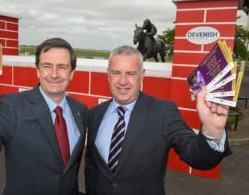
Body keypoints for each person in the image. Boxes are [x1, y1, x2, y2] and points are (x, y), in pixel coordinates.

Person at [84, 45, 231, 195]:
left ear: (142, 75)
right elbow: (91, 166)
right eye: (116, 73)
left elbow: (196, 156)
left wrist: (212, 131)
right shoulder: (95, 114)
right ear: (108, 75)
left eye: (131, 73)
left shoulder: (164, 112)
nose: (123, 81)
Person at [0, 38, 88, 195]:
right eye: (47, 66)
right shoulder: (12, 106)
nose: (54, 74)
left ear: (72, 73)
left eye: (62, 67)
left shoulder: (80, 110)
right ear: (38, 70)